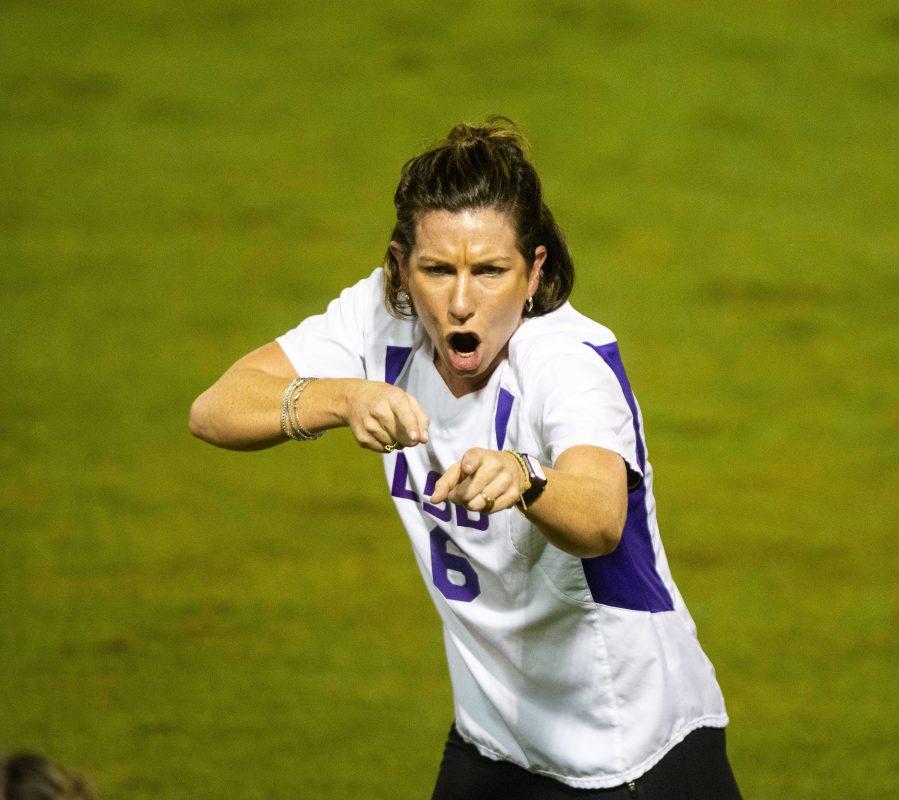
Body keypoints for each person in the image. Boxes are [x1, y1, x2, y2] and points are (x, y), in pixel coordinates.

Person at [190, 117, 741, 798]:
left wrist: (527, 478)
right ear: (400, 266)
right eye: (436, 270)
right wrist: (341, 397)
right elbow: (215, 409)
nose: (459, 303)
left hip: (627, 750)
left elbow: (601, 517)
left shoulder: (567, 361)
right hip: (494, 741)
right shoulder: (378, 318)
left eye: (489, 272)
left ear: (535, 271)